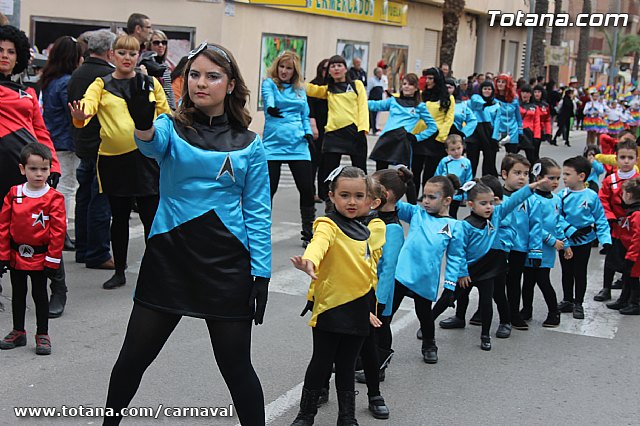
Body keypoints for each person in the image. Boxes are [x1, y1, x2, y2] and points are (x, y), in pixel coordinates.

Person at [102, 42, 271, 426]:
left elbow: (259, 212)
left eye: (212, 76)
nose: (201, 83)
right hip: (169, 259)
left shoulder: (250, 144)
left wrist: (261, 273)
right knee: (131, 359)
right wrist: (143, 123)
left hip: (227, 266)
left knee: (236, 367)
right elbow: (149, 147)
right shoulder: (170, 126)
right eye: (194, 74)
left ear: (230, 85)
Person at [69, 35, 171, 290]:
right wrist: (81, 115)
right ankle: (119, 271)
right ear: (112, 55)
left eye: (132, 53)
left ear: (139, 56)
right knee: (119, 217)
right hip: (113, 161)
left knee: (151, 218)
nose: (127, 58)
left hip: (147, 158)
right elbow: (88, 107)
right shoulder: (100, 84)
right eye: (122, 53)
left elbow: (166, 115)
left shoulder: (149, 83)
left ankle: (155, 271)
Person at [290, 166, 385, 426]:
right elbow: (318, 243)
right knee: (320, 362)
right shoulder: (327, 223)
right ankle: (306, 414)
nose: (351, 201)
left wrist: (369, 308)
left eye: (358, 196)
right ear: (331, 196)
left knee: (346, 366)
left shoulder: (367, 232)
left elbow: (368, 272)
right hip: (331, 306)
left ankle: (347, 417)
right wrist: (309, 260)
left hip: (359, 307)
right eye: (344, 195)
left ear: (368, 199)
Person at [434, 175, 545, 350]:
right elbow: (458, 250)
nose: (489, 207)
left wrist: (530, 188)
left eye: (491, 203)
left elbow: (514, 201)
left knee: (492, 299)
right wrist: (462, 272)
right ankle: (430, 324)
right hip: (470, 268)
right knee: (454, 295)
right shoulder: (465, 225)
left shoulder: (497, 215)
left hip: (492, 266)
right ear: (471, 204)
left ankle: (491, 331)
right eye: (484, 203)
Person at [0, 25, 63, 316]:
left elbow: (40, 132)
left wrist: (54, 164)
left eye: (11, 52)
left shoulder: (27, 93)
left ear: (19, 57)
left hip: (27, 172)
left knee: (43, 230)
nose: (5, 56)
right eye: (0, 50)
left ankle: (57, 288)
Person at [386, 174, 463, 364]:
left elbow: (455, 257)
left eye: (431, 197)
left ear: (447, 200)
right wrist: (403, 183)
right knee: (386, 314)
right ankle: (380, 352)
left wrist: (450, 285)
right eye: (424, 196)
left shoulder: (454, 226)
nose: (426, 201)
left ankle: (429, 344)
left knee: (425, 315)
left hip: (425, 278)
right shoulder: (416, 214)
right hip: (401, 274)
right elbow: (393, 203)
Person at [0, 143, 66, 355]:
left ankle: (42, 334)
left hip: (41, 258)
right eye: (33, 169)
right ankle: (18, 331)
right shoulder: (14, 194)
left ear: (49, 169)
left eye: (44, 169)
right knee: (18, 294)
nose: (39, 174)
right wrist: (2, 256)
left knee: (40, 295)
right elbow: (3, 226)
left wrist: (53, 260)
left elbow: (58, 231)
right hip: (16, 256)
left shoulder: (54, 198)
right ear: (22, 169)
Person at [356, 167, 411, 389]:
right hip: (369, 286)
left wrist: (379, 301)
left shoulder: (393, 228)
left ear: (384, 195)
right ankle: (367, 363)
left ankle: (379, 368)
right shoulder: (375, 218)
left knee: (381, 327)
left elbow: (388, 269)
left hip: (381, 292)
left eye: (371, 188)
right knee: (372, 330)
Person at [67, 29, 115, 272]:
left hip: (82, 141)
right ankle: (97, 252)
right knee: (100, 199)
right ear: (109, 51)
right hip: (101, 144)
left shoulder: (78, 73)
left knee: (84, 195)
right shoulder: (107, 76)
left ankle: (84, 248)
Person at [261, 50, 315, 246]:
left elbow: (304, 115)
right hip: (273, 144)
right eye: (282, 66)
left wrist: (308, 133)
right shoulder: (269, 84)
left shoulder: (300, 90)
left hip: (298, 144)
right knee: (268, 190)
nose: (284, 71)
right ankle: (260, 231)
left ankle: (308, 234)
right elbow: (268, 100)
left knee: (307, 189)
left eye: (289, 68)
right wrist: (270, 107)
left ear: (294, 71)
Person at [306, 55, 369, 212]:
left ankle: (364, 204)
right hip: (333, 134)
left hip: (355, 132)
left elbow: (363, 106)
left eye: (339, 65)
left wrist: (363, 128)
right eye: (332, 66)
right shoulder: (328, 89)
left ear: (345, 68)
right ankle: (330, 202)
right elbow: (309, 89)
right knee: (329, 171)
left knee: (361, 171)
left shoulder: (356, 85)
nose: (336, 69)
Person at [40, 36, 84, 252]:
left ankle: (56, 231)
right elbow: (71, 115)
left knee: (58, 187)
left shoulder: (49, 80)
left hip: (52, 138)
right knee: (66, 188)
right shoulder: (67, 82)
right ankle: (61, 232)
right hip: (65, 141)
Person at [556, 156, 611, 319]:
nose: (563, 178)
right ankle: (567, 300)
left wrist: (605, 240)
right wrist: (570, 230)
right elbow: (555, 216)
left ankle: (578, 303)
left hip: (585, 240)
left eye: (567, 174)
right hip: (566, 240)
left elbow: (600, 218)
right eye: (563, 174)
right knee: (566, 272)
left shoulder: (592, 196)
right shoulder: (561, 195)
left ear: (581, 176)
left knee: (579, 273)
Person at [520, 158, 571, 327]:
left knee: (543, 280)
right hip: (532, 246)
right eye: (551, 178)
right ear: (538, 178)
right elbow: (533, 225)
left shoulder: (556, 200)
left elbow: (557, 224)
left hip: (548, 250)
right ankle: (526, 309)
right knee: (528, 281)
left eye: (558, 178)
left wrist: (565, 243)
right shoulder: (531, 199)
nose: (556, 182)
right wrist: (552, 240)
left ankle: (553, 312)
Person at [594, 139, 640, 302]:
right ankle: (606, 288)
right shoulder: (610, 180)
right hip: (615, 226)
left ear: (636, 159)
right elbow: (603, 199)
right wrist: (610, 218)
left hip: (633, 228)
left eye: (630, 157)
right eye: (622, 157)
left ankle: (627, 294)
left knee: (631, 262)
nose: (626, 161)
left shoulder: (638, 179)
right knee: (611, 258)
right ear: (616, 158)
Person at [368, 73, 437, 173]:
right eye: (404, 84)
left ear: (416, 88)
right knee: (380, 175)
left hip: (402, 142)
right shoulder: (393, 101)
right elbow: (375, 105)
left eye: (410, 84)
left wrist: (417, 137)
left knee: (402, 176)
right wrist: (358, 100)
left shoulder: (420, 106)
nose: (406, 86)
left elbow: (433, 126)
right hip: (386, 139)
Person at [413, 67, 454, 196]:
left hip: (436, 139)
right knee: (415, 171)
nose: (428, 81)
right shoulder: (420, 95)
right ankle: (413, 198)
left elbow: (449, 119)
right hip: (420, 136)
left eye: (431, 78)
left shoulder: (447, 98)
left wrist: (441, 137)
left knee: (430, 172)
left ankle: (427, 196)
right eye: (426, 78)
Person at [615, 177, 640, 314]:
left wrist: (631, 256)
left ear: (629, 195)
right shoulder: (633, 212)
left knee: (633, 278)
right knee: (627, 276)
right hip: (630, 251)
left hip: (635, 255)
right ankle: (623, 300)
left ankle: (635, 303)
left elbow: (637, 238)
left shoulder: (636, 214)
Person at [434, 134, 472, 218]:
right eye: (452, 149)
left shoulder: (466, 162)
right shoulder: (444, 161)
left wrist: (465, 194)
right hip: (444, 192)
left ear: (463, 147)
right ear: (447, 151)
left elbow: (468, 178)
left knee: (453, 213)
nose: (456, 151)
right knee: (442, 212)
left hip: (458, 193)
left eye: (459, 148)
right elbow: (437, 175)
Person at [467, 80, 500, 177]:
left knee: (489, 160)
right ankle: (469, 181)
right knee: (472, 160)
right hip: (475, 131)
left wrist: (495, 137)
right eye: (485, 89)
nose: (487, 91)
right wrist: (486, 104)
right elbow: (476, 102)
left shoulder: (496, 104)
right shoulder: (475, 99)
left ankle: (487, 182)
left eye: (489, 89)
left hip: (489, 131)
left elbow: (497, 121)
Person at [307, 59, 329, 202]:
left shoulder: (333, 87)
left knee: (326, 163)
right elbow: (310, 108)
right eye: (325, 68)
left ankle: (324, 192)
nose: (327, 72)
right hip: (317, 127)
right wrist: (313, 125)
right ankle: (312, 191)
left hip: (330, 127)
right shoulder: (314, 85)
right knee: (314, 161)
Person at [493, 74, 523, 154]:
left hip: (512, 130)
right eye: (498, 82)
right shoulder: (493, 98)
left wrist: (520, 131)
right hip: (497, 130)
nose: (500, 84)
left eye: (503, 82)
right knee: (491, 156)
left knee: (511, 157)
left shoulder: (514, 99)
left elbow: (518, 116)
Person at [147, 30, 176, 110]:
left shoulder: (164, 65)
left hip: (167, 108)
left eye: (164, 42)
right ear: (150, 45)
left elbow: (169, 90)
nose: (161, 45)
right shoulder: (147, 64)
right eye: (156, 43)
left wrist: (173, 109)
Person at [533, 85, 552, 151]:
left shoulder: (545, 105)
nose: (537, 94)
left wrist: (548, 133)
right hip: (530, 130)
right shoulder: (530, 103)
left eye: (539, 92)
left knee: (536, 151)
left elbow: (547, 120)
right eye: (535, 92)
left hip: (540, 130)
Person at [367, 67, 385, 135]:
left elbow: (382, 90)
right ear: (376, 73)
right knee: (372, 115)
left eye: (381, 72)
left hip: (379, 100)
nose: (381, 74)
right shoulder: (372, 80)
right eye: (379, 72)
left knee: (377, 115)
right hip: (373, 99)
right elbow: (368, 90)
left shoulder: (382, 80)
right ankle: (373, 129)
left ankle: (373, 127)